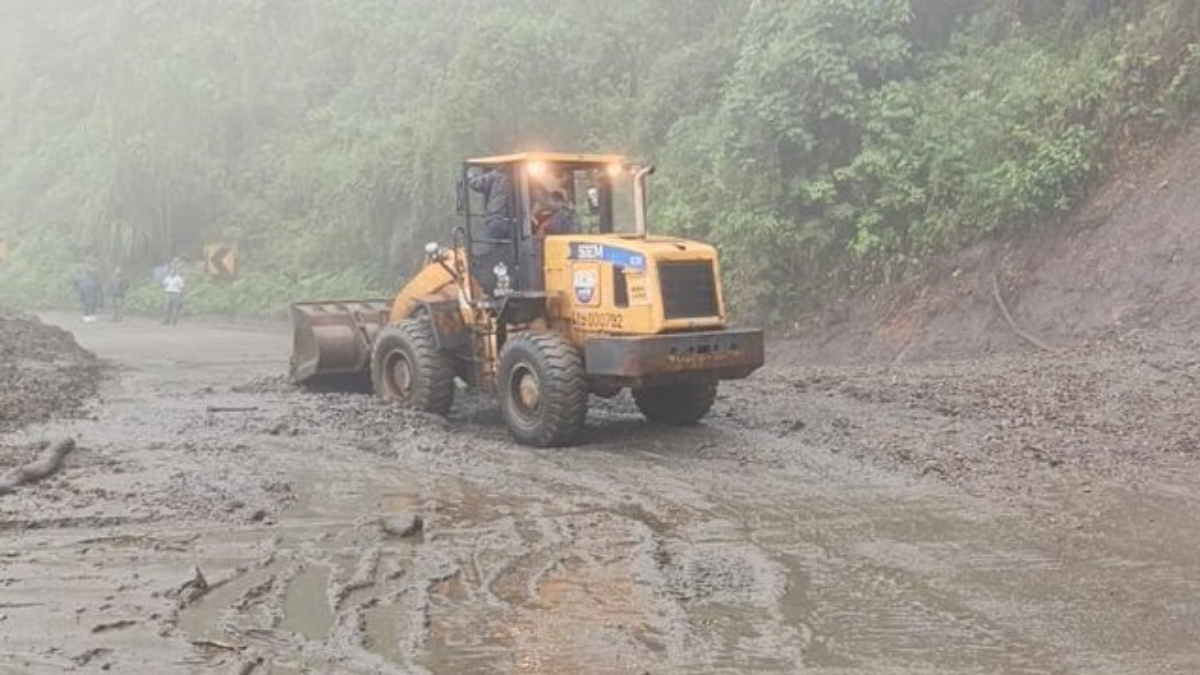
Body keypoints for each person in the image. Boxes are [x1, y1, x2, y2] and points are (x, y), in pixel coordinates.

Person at [467, 167, 514, 294]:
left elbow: (476, 184)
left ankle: (498, 287)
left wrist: (470, 175)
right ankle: (510, 282)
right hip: (512, 223)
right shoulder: (519, 177)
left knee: (494, 255)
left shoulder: (496, 175)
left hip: (496, 220)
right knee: (508, 252)